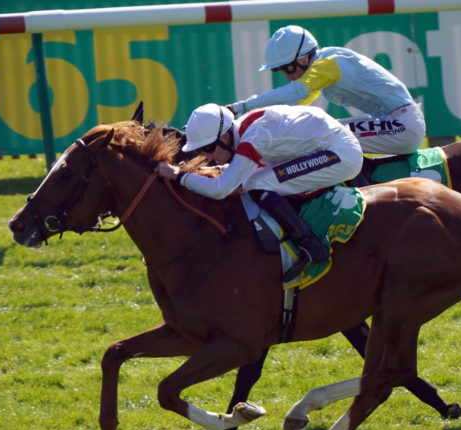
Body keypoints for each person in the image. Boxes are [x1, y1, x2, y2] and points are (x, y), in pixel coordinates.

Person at [155, 103, 362, 281]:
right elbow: (236, 173)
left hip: (340, 154)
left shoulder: (254, 137)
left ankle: (310, 245)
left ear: (226, 136)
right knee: (256, 180)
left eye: (208, 149)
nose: (207, 157)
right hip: (327, 147)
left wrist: (177, 175)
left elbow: (221, 189)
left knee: (256, 183)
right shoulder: (244, 131)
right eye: (201, 151)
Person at [227, 25, 425, 156]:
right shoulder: (321, 69)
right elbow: (290, 105)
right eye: (281, 71)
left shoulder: (327, 66)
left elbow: (293, 93)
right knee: (319, 132)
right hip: (396, 122)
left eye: (288, 68)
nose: (288, 76)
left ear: (305, 59)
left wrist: (240, 107)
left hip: (402, 125)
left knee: (324, 135)